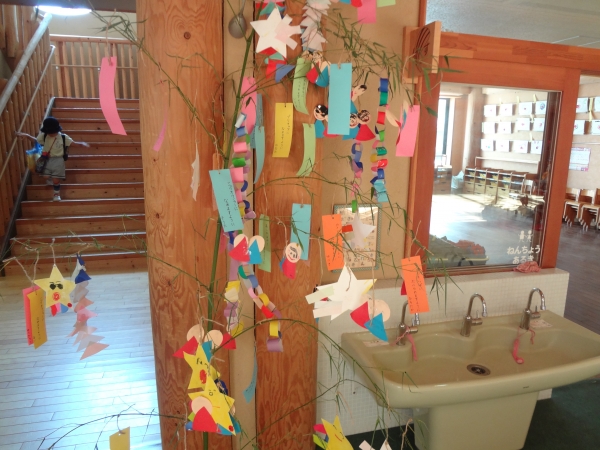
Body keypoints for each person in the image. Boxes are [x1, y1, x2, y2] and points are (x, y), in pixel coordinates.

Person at [17, 117, 89, 201]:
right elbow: (36, 140)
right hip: (46, 158)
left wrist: (82, 144)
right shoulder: (44, 136)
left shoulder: (63, 137)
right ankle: (50, 178)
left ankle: (56, 194)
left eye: (53, 132)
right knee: (45, 176)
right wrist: (27, 136)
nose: (51, 134)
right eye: (49, 132)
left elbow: (73, 143)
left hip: (58, 159)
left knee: (56, 179)